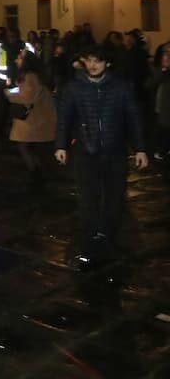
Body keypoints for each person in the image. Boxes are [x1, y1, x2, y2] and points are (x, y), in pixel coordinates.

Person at [55, 46, 148, 268]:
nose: (93, 65)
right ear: (84, 62)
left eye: (98, 61)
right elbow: (64, 119)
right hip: (85, 153)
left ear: (108, 63)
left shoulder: (121, 87)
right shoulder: (74, 88)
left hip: (114, 152)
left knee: (115, 198)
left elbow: (133, 118)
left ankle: (108, 234)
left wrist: (140, 148)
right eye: (89, 60)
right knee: (88, 198)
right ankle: (92, 236)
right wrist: (61, 145)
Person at [8, 51, 56, 183]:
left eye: (19, 57)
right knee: (30, 147)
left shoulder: (29, 77)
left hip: (32, 120)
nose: (16, 60)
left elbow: (27, 97)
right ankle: (38, 173)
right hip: (36, 118)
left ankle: (36, 174)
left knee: (24, 146)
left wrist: (8, 94)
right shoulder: (34, 76)